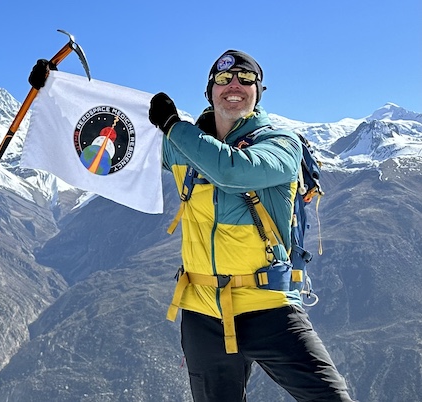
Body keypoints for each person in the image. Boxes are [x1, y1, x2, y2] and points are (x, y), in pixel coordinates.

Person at [29, 51, 354, 401]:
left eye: (246, 80)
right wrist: (56, 93)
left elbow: (232, 171)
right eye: (223, 79)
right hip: (202, 313)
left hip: (269, 306)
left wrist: (173, 126)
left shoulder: (280, 144)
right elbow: (115, 138)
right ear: (209, 91)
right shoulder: (183, 146)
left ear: (259, 92)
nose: (234, 86)